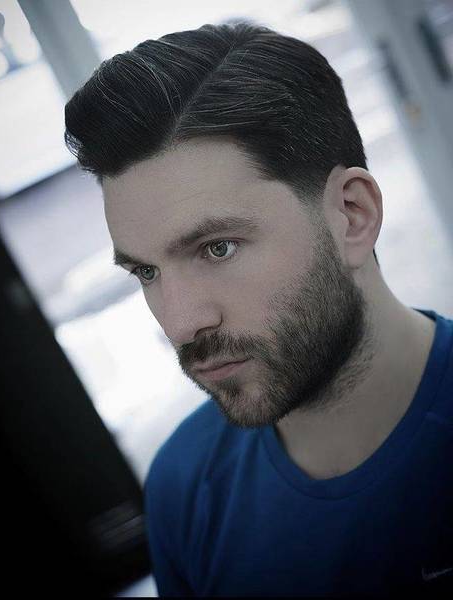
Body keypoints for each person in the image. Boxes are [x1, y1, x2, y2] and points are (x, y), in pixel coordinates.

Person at [64, 21, 453, 597]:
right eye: (146, 271)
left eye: (217, 248)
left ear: (352, 215)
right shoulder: (184, 485)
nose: (180, 323)